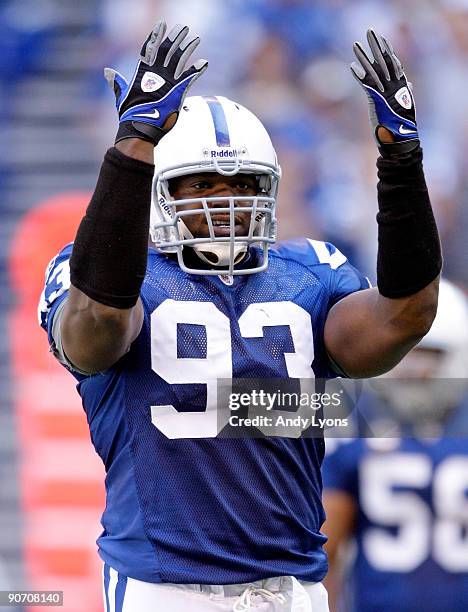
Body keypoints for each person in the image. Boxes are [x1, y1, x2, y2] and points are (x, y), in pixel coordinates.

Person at [37, 21, 440, 612]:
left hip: (293, 588)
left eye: (243, 183)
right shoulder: (105, 273)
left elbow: (404, 316)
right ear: (158, 191)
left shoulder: (311, 270)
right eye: (203, 183)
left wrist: (401, 165)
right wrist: (133, 149)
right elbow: (93, 331)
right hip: (166, 590)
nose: (226, 202)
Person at [322, 280, 468, 612]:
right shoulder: (353, 421)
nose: (414, 372)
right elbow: (326, 547)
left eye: (427, 358)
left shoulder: (355, 426)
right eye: (406, 355)